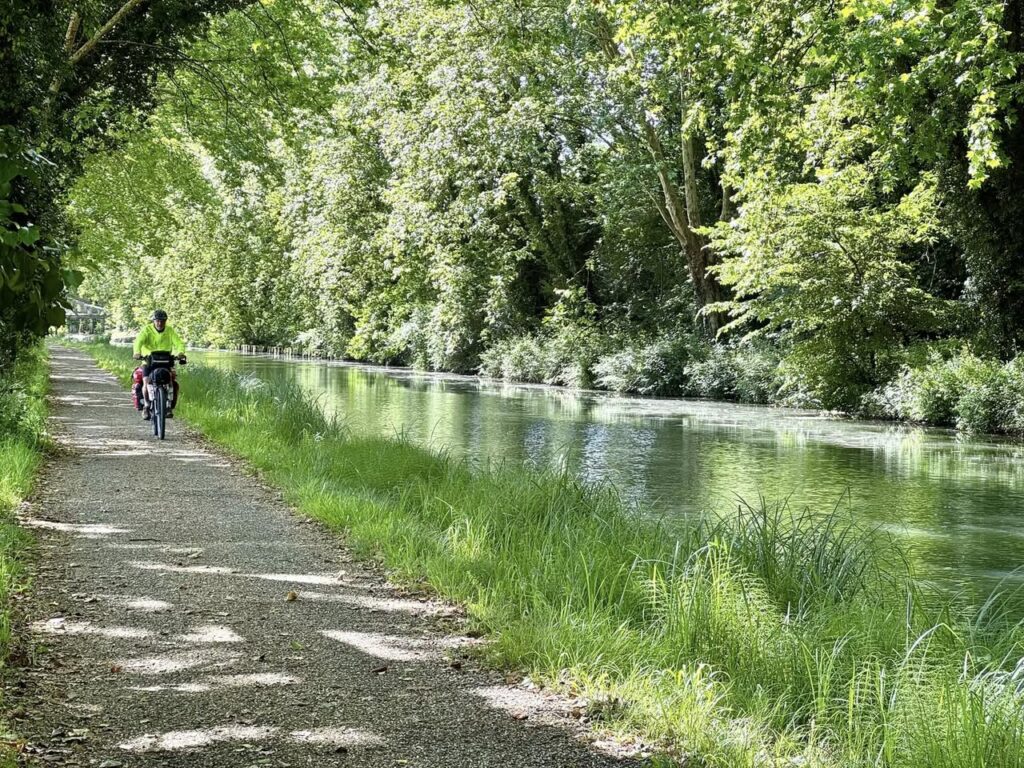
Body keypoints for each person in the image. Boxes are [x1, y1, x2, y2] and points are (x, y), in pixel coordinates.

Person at [132, 309, 187, 420]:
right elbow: (139, 341)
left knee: (171, 379)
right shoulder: (147, 330)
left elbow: (179, 343)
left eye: (162, 321)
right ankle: (146, 406)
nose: (160, 323)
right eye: (157, 320)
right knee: (146, 381)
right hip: (149, 360)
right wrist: (137, 352)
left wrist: (181, 353)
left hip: (166, 360)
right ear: (154, 321)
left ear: (166, 321)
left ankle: (168, 407)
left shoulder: (170, 331)